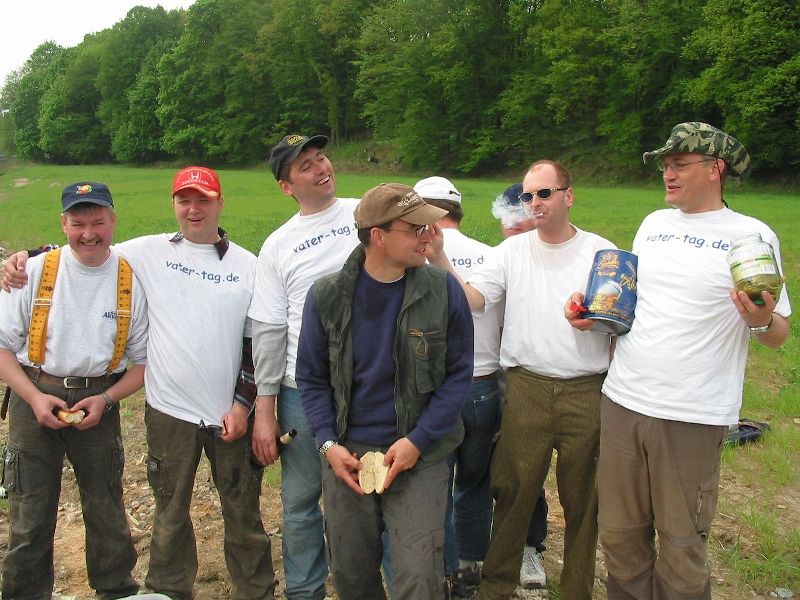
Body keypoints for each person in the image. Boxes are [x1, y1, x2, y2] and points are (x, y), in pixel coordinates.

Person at [1, 167, 276, 600]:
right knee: (161, 514)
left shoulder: (247, 265)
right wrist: (22, 257)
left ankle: (249, 593)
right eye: (184, 200)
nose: (193, 209)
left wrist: (244, 405)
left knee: (237, 512)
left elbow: (256, 342)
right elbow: (82, 251)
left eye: (203, 200)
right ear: (174, 205)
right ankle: (165, 592)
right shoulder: (148, 251)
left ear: (220, 203)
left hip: (217, 410)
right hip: (155, 410)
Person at [566, 122, 791, 599]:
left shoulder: (750, 236)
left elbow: (777, 333)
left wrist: (759, 319)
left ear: (715, 169)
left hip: (691, 414)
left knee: (681, 543)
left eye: (680, 164)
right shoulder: (654, 225)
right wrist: (595, 316)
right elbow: (634, 307)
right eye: (666, 165)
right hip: (623, 401)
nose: (668, 174)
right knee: (620, 535)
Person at [427, 160, 615, 600]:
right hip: (526, 386)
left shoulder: (601, 252)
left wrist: (595, 321)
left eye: (544, 193)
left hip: (586, 390)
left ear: (568, 195)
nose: (534, 202)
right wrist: (438, 258)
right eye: (528, 196)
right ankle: (497, 587)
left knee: (583, 501)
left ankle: (577, 591)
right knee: (512, 491)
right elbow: (474, 300)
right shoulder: (511, 252)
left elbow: (620, 319)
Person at [296, 183, 474, 600]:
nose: (428, 236)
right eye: (415, 229)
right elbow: (312, 378)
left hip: (421, 452)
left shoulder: (444, 290)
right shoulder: (326, 296)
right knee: (353, 574)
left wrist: (418, 440)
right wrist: (328, 445)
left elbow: (458, 376)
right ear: (378, 236)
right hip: (348, 453)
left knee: (418, 576)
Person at [0, 182, 148, 599]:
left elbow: (143, 363)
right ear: (63, 224)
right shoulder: (31, 271)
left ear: (113, 220)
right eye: (78, 223)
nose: (89, 234)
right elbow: (3, 347)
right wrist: (33, 398)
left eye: (98, 222)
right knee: (29, 513)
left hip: (99, 400)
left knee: (107, 508)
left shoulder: (131, 278)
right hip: (35, 395)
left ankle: (115, 589)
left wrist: (106, 399)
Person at [247, 133, 364, 600]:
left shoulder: (365, 214)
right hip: (302, 392)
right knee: (299, 503)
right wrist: (265, 409)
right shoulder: (278, 246)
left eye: (322, 157)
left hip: (370, 387)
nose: (321, 168)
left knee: (371, 491)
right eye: (306, 166)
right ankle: (304, 590)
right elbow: (270, 330)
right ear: (286, 186)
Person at [413, 176, 503, 598]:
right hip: (483, 384)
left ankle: (444, 567)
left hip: (434, 388)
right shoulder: (491, 255)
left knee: (435, 483)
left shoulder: (413, 257)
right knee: (475, 482)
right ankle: (470, 564)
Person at [494, 182, 550, 591]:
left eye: (521, 217)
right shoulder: (495, 259)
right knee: (494, 468)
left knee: (528, 469)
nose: (512, 225)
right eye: (507, 216)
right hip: (490, 379)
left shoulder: (550, 262)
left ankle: (530, 547)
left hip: (533, 381)